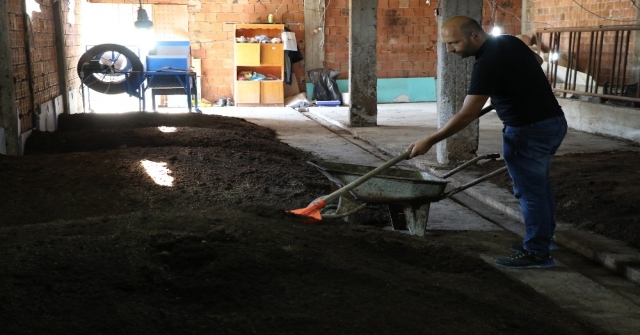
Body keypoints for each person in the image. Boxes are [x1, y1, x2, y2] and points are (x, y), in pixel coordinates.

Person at [409, 16, 567, 269]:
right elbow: (536, 61)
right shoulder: (508, 42)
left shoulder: (487, 63)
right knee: (539, 186)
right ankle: (544, 241)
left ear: (474, 36)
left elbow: (468, 113)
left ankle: (537, 251)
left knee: (529, 191)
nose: (450, 50)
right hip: (553, 123)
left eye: (454, 43)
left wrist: (430, 140)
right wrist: (511, 87)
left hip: (527, 131)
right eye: (447, 44)